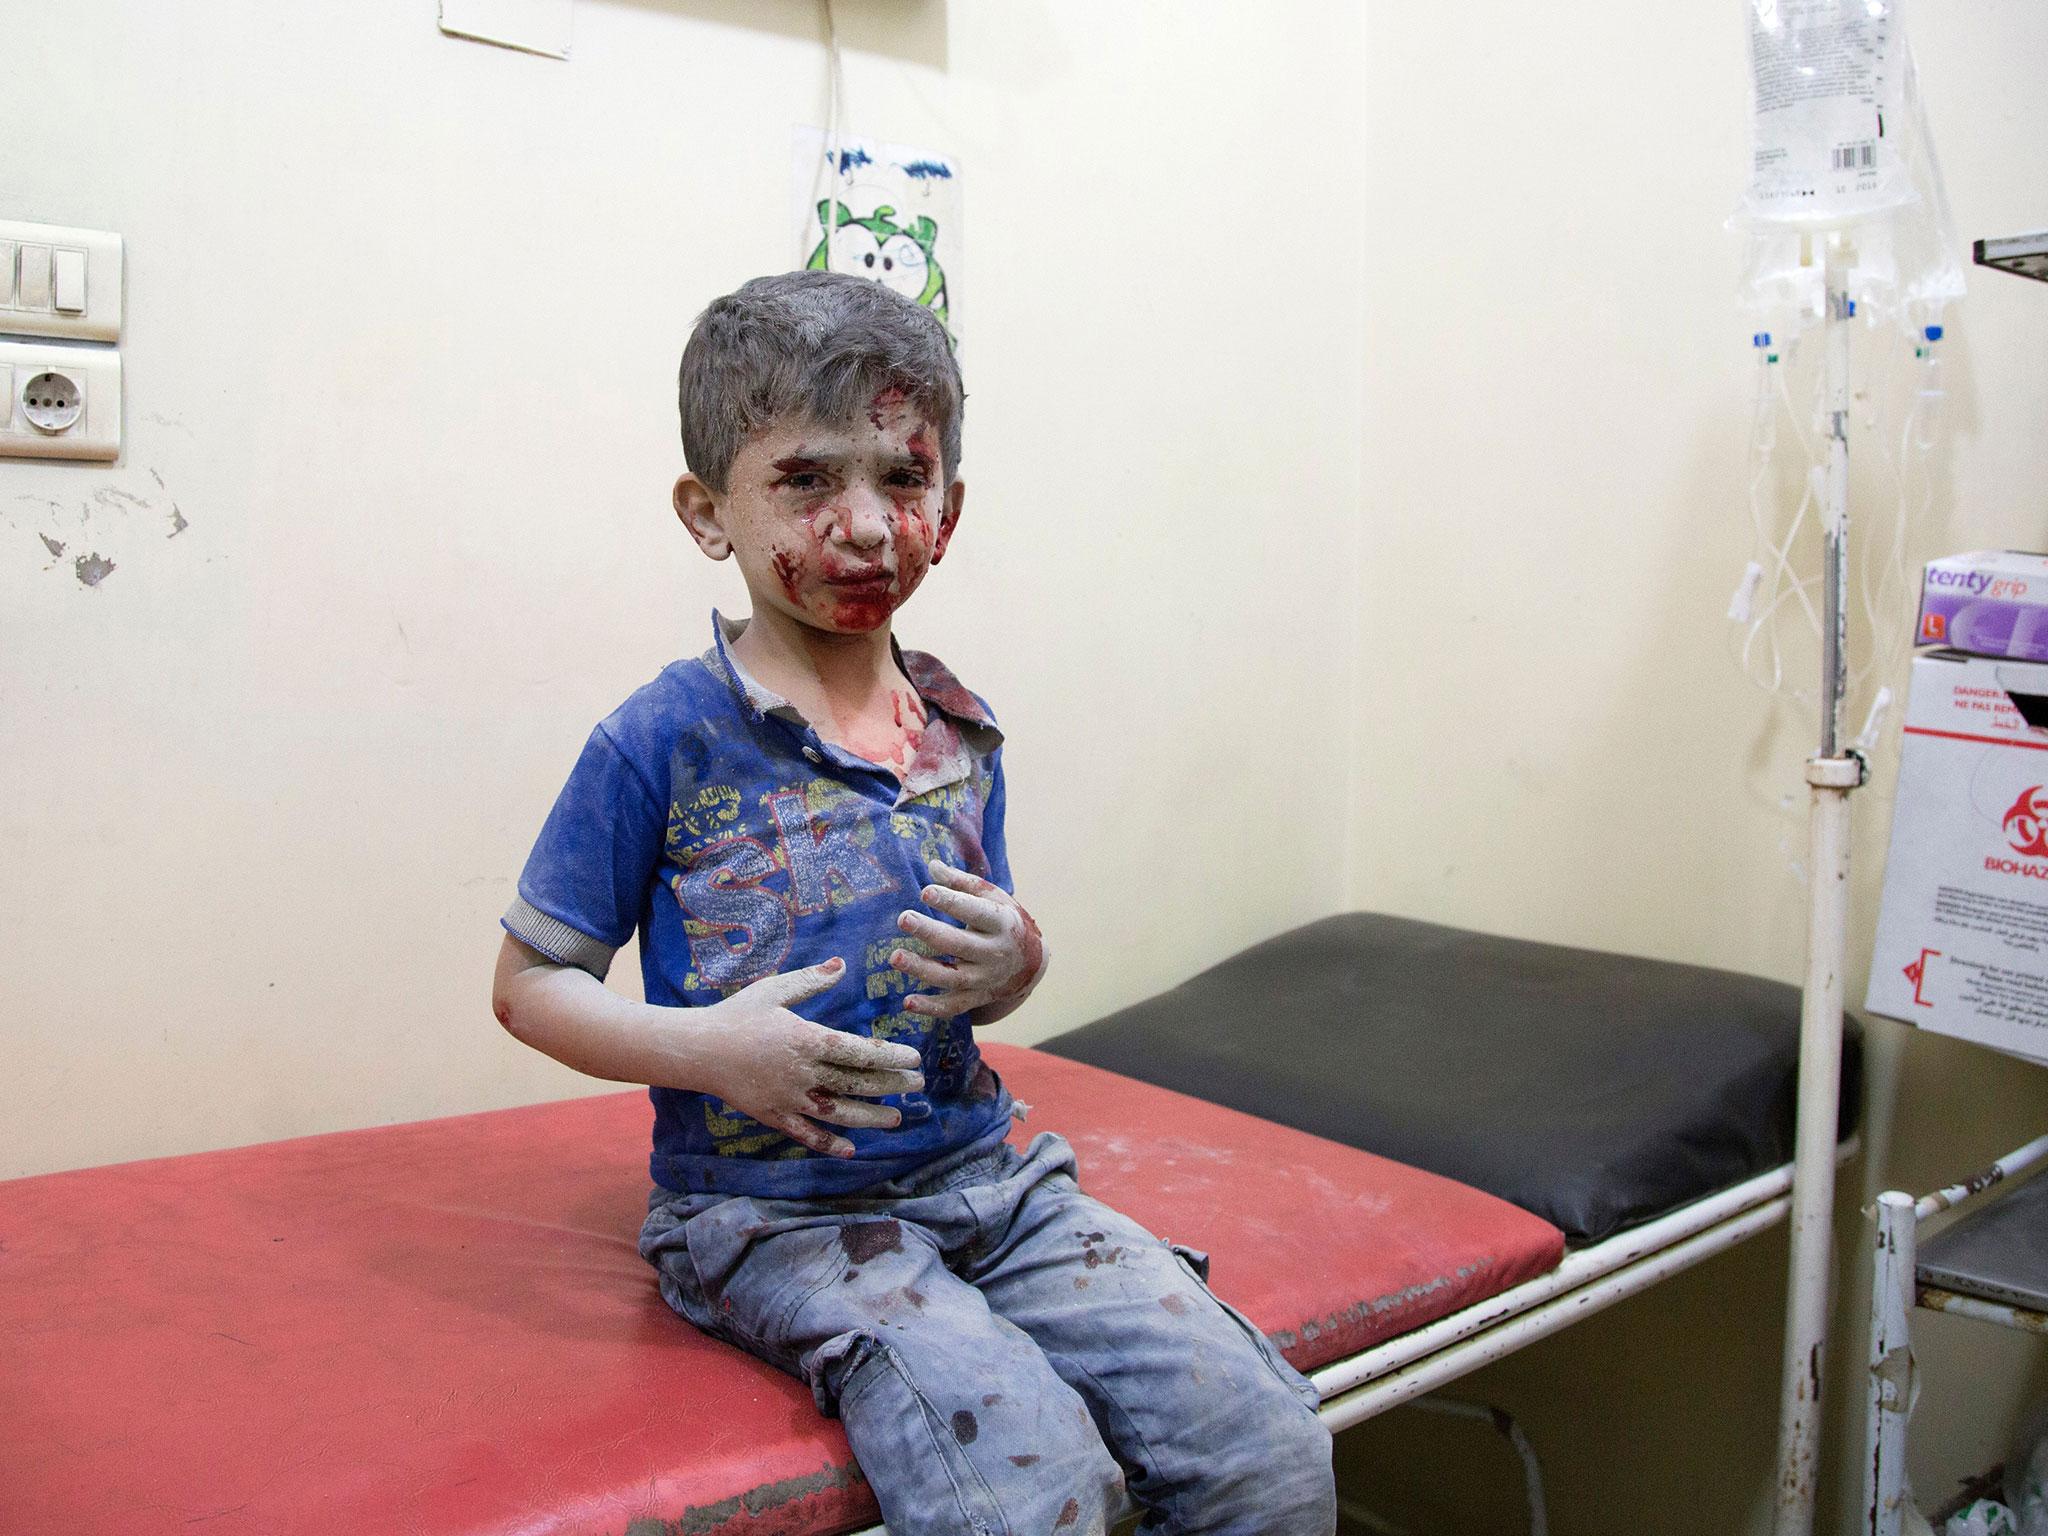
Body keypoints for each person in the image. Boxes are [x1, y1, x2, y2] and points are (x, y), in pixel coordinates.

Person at [490, 270, 1335, 1536]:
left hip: (988, 1178)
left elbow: (982, 953)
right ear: (706, 511)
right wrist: (708, 1050)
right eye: (805, 481)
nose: (866, 525)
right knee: (1037, 1492)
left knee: (1265, 1447)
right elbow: (527, 986)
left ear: (950, 509)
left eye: (901, 478)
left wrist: (1020, 961)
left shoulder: (956, 729)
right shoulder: (661, 740)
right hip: (769, 1216)